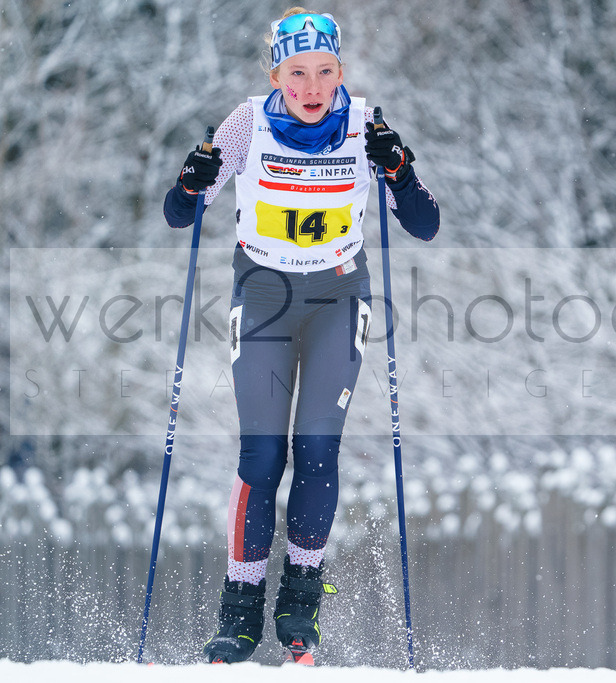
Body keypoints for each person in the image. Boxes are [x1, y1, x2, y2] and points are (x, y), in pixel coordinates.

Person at [163, 7, 439, 664]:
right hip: (263, 295)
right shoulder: (247, 123)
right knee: (262, 454)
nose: (311, 87)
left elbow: (423, 225)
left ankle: (300, 603)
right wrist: (192, 178)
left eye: (323, 72)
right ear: (276, 76)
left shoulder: (366, 125)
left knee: (318, 447)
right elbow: (181, 213)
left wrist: (397, 169)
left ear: (340, 71)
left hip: (338, 297)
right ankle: (238, 609)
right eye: (296, 74)